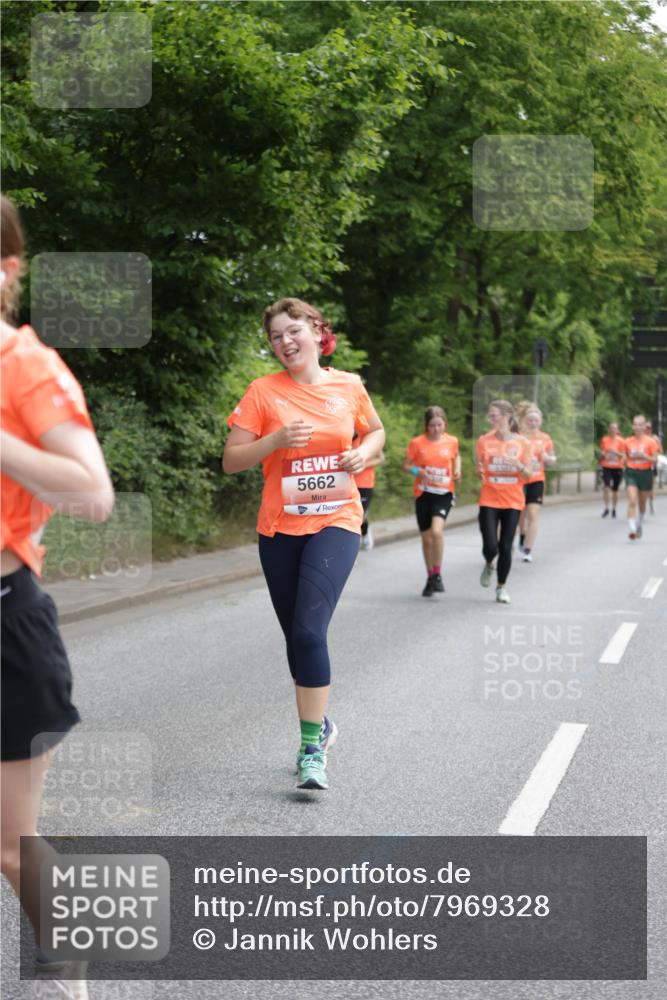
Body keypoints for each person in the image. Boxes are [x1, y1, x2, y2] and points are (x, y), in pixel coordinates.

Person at [1, 194, 114, 999]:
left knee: (9, 844)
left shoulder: (25, 366)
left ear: (6, 269)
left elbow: (91, 491)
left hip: (5, 624)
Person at [223, 298, 384, 790]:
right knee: (297, 636)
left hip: (336, 519)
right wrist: (273, 442)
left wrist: (362, 452)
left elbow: (376, 431)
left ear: (317, 331)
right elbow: (231, 460)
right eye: (276, 336)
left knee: (311, 631)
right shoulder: (262, 392)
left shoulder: (348, 385)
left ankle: (311, 747)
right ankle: (325, 724)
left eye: (293, 331)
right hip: (279, 529)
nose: (285, 342)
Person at [476, 400, 532, 604]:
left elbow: (528, 475)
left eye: (494, 415)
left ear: (507, 417)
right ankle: (490, 562)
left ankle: (501, 587)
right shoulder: (484, 441)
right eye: (489, 416)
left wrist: (518, 465)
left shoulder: (523, 443)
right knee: (491, 546)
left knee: (506, 546)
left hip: (513, 501)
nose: (491, 419)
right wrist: (480, 472)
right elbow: (479, 468)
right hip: (489, 498)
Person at [403, 406, 460, 597]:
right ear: (426, 426)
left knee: (437, 531)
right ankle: (430, 577)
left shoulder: (452, 441)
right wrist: (417, 471)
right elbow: (406, 465)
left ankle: (437, 573)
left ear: (445, 424)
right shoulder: (417, 443)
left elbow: (456, 456)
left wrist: (457, 470)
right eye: (432, 426)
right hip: (423, 494)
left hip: (444, 493)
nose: (436, 429)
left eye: (439, 425)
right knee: (426, 539)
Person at [515, 401, 556, 562]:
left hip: (537, 480)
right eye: (530, 420)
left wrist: (548, 458)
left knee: (533, 513)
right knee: (520, 514)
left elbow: (553, 457)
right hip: (520, 480)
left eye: (536, 420)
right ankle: (522, 534)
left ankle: (528, 549)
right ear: (525, 420)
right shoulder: (519, 436)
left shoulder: (545, 438)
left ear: (540, 421)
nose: (533, 423)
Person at [624, 414, 660, 539]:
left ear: (644, 427)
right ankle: (632, 528)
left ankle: (639, 522)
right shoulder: (628, 441)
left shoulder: (651, 442)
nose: (637, 427)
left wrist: (644, 456)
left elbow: (655, 459)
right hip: (631, 472)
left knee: (642, 503)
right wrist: (629, 459)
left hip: (645, 473)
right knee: (632, 500)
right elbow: (625, 456)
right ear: (633, 426)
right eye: (635, 424)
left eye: (640, 425)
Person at [353, 432, 384, 550]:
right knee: (353, 516)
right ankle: (365, 528)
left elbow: (380, 458)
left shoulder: (366, 437)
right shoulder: (342, 434)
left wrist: (362, 464)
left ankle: (351, 553)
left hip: (365, 483)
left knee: (358, 517)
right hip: (346, 484)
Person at [598, 420, 626, 518]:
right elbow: (601, 452)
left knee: (615, 490)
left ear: (617, 430)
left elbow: (624, 455)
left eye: (615, 428)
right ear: (609, 429)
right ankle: (606, 508)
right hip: (606, 466)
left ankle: (614, 508)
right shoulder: (604, 439)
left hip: (617, 467)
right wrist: (603, 455)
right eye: (611, 428)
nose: (613, 430)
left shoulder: (622, 441)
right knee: (606, 488)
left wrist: (615, 452)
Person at [644, 420, 663, 515]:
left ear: (651, 429)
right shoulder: (639, 438)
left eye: (649, 428)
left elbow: (660, 451)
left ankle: (651, 503)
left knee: (651, 487)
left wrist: (657, 446)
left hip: (651, 466)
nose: (647, 429)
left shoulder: (654, 438)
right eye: (646, 427)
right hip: (640, 466)